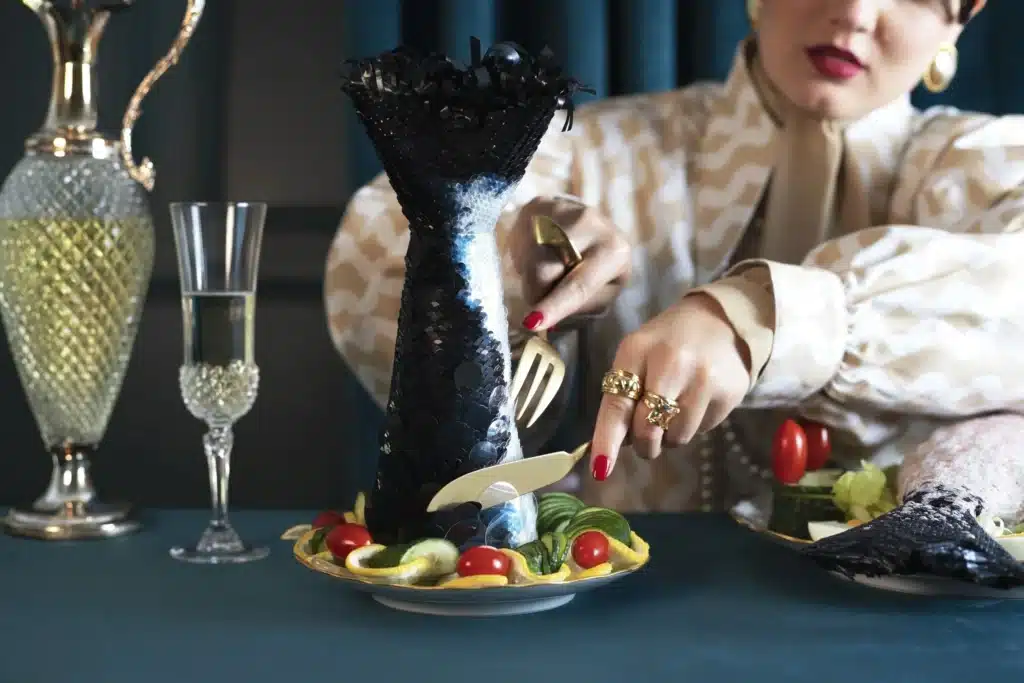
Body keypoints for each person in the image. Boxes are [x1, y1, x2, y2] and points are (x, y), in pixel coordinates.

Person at [326, 0, 1024, 518]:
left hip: (896, 626)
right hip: (616, 615)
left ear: (963, 18)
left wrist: (758, 316)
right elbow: (369, 258)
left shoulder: (978, 169)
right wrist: (494, 252)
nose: (855, 13)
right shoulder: (603, 152)